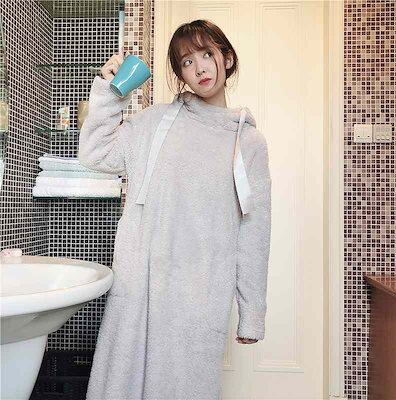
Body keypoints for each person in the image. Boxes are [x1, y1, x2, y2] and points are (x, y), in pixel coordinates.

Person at [79, 19, 272, 400]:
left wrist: (252, 313)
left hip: (199, 297)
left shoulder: (248, 143)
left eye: (207, 54)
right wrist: (108, 93)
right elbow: (95, 154)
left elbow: (254, 231)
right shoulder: (154, 123)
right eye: (186, 61)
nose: (199, 68)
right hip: (140, 290)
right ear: (179, 74)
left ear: (226, 58)